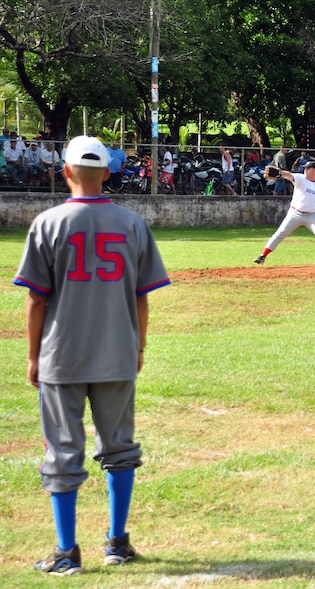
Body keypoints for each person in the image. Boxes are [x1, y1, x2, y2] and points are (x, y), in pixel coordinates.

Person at [13, 135, 171, 576]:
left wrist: (32, 357)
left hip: (61, 356)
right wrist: (138, 346)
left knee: (63, 452)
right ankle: (117, 543)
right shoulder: (133, 224)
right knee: (119, 449)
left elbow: (36, 301)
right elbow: (142, 298)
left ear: (65, 171)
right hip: (118, 352)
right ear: (107, 172)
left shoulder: (46, 223)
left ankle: (67, 552)